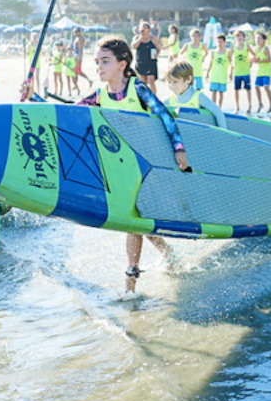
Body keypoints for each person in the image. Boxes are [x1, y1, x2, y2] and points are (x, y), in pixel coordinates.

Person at [46, 36, 189, 297]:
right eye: (96, 62)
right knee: (138, 220)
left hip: (147, 169)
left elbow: (165, 116)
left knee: (132, 222)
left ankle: (130, 286)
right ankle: (168, 255)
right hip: (120, 170)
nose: (98, 67)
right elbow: (69, 112)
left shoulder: (138, 89)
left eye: (105, 61)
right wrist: (32, 99)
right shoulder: (101, 95)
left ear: (122, 64)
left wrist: (179, 149)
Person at [164, 59, 227, 129]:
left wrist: (223, 133)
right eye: (169, 82)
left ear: (188, 79)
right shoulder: (169, 100)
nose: (172, 85)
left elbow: (218, 112)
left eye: (175, 81)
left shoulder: (198, 97)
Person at [132, 21, 162, 93]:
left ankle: (154, 98)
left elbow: (158, 48)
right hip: (141, 62)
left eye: (145, 27)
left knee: (151, 80)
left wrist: (157, 54)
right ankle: (145, 98)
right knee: (142, 81)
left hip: (150, 62)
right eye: (141, 27)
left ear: (149, 29)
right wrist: (140, 38)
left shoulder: (152, 39)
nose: (143, 29)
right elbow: (134, 46)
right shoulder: (137, 37)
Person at [231, 30, 254, 114]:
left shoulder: (246, 46)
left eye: (241, 36)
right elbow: (229, 56)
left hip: (246, 72)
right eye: (237, 36)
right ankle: (237, 107)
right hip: (237, 72)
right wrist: (231, 64)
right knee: (236, 90)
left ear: (244, 38)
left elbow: (254, 55)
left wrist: (251, 62)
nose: (239, 38)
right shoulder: (233, 47)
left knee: (248, 89)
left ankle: (249, 106)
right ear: (235, 38)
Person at [252, 32, 271, 114]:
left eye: (259, 38)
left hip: (267, 71)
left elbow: (269, 59)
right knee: (256, 86)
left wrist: (259, 61)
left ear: (264, 40)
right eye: (256, 39)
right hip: (260, 71)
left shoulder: (265, 49)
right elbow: (256, 59)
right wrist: (253, 61)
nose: (257, 40)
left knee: (266, 87)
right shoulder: (256, 49)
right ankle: (260, 103)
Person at [207, 34, 230, 108]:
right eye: (218, 42)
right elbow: (211, 62)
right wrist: (207, 72)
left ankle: (220, 107)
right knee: (213, 92)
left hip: (222, 76)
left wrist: (231, 73)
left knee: (221, 93)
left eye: (221, 42)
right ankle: (213, 107)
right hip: (214, 75)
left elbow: (231, 63)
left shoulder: (227, 52)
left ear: (224, 42)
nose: (219, 44)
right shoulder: (213, 52)